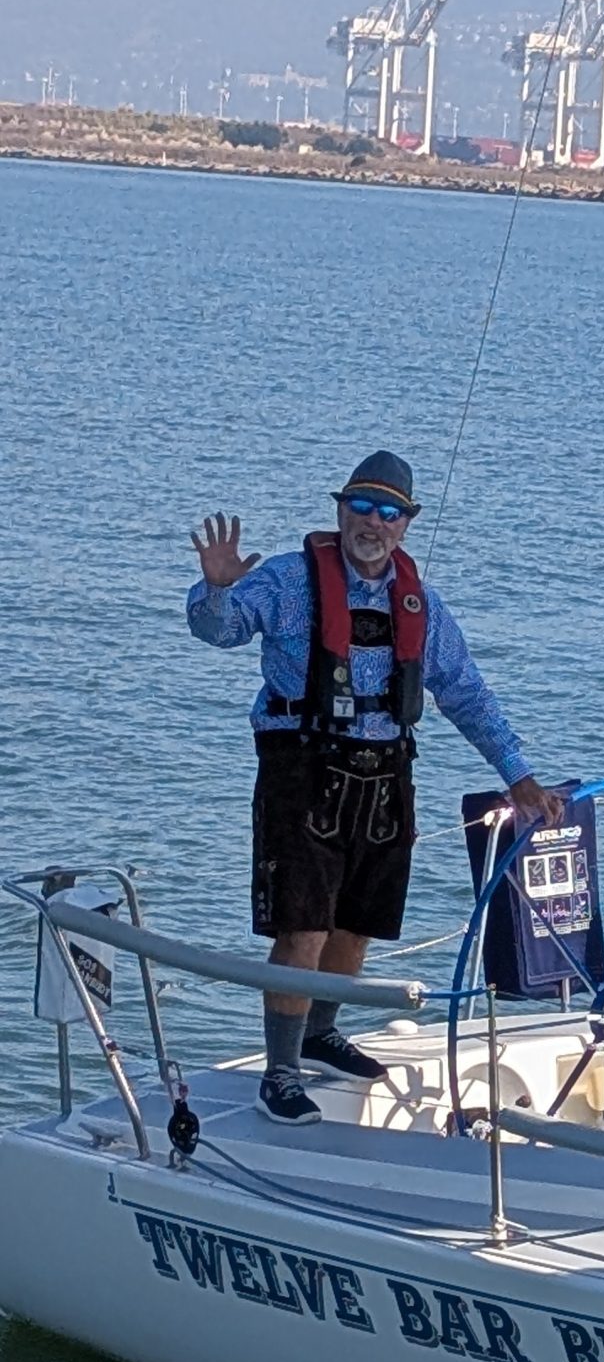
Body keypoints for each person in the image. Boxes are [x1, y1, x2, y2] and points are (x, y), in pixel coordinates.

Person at [187, 452, 562, 1128]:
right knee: (303, 925)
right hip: (302, 769)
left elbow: (465, 693)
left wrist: (518, 775)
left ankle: (320, 1032)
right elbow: (221, 630)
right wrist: (215, 590)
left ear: (406, 524)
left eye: (390, 512)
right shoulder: (289, 580)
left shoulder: (420, 604)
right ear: (340, 511)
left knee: (358, 923)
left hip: (386, 774)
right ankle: (281, 1070)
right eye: (361, 506)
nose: (373, 522)